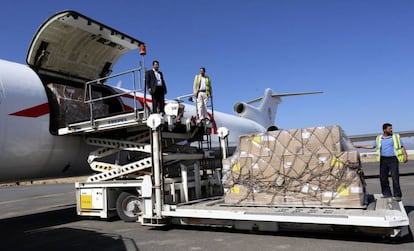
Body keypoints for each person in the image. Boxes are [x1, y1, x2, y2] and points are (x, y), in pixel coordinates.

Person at [355, 123, 408, 201]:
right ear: (384, 130)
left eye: (391, 128)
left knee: (395, 177)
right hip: (383, 160)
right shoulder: (379, 138)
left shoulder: (395, 137)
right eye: (390, 128)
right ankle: (387, 193)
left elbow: (402, 147)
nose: (391, 130)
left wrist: (405, 156)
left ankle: (397, 195)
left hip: (393, 159)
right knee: (383, 178)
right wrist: (360, 146)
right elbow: (372, 146)